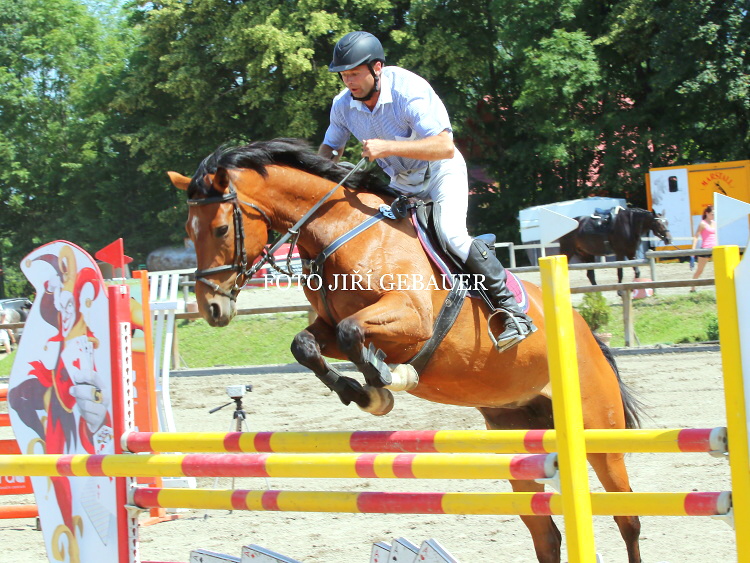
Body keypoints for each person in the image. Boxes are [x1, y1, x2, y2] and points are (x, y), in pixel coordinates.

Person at [318, 31, 535, 351]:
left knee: (451, 234)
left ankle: (513, 313)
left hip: (440, 172)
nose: (348, 81)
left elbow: (444, 146)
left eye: (354, 74)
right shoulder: (342, 105)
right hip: (401, 183)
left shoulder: (409, 90)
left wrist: (387, 147)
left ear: (377, 68)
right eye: (343, 75)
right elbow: (331, 149)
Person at [690, 205, 716, 292]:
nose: (713, 216)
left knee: (719, 269)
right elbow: (696, 236)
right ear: (707, 213)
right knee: (700, 270)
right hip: (705, 249)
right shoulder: (702, 223)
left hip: (715, 248)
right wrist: (693, 250)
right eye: (712, 214)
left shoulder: (715, 223)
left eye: (714, 214)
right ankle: (692, 288)